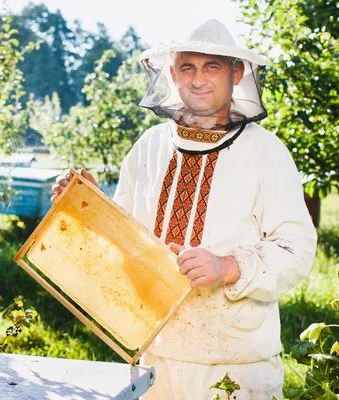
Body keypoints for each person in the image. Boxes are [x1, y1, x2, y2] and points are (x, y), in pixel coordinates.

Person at [51, 19, 317, 399]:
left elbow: (297, 250)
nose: (198, 79)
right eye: (187, 68)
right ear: (172, 75)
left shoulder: (267, 152)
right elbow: (125, 242)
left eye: (212, 66)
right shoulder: (148, 147)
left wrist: (228, 266)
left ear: (236, 73)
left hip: (236, 366)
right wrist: (90, 207)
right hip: (152, 357)